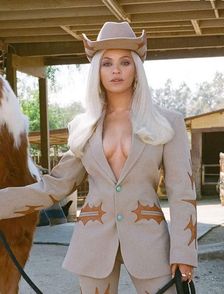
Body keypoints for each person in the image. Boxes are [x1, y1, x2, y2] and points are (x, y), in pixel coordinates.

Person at [0, 22, 197, 294]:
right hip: (93, 243)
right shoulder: (84, 126)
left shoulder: (168, 122)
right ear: (97, 70)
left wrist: (184, 252)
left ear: (136, 68)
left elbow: (182, 193)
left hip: (151, 243)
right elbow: (54, 186)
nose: (116, 70)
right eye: (107, 63)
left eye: (125, 62)